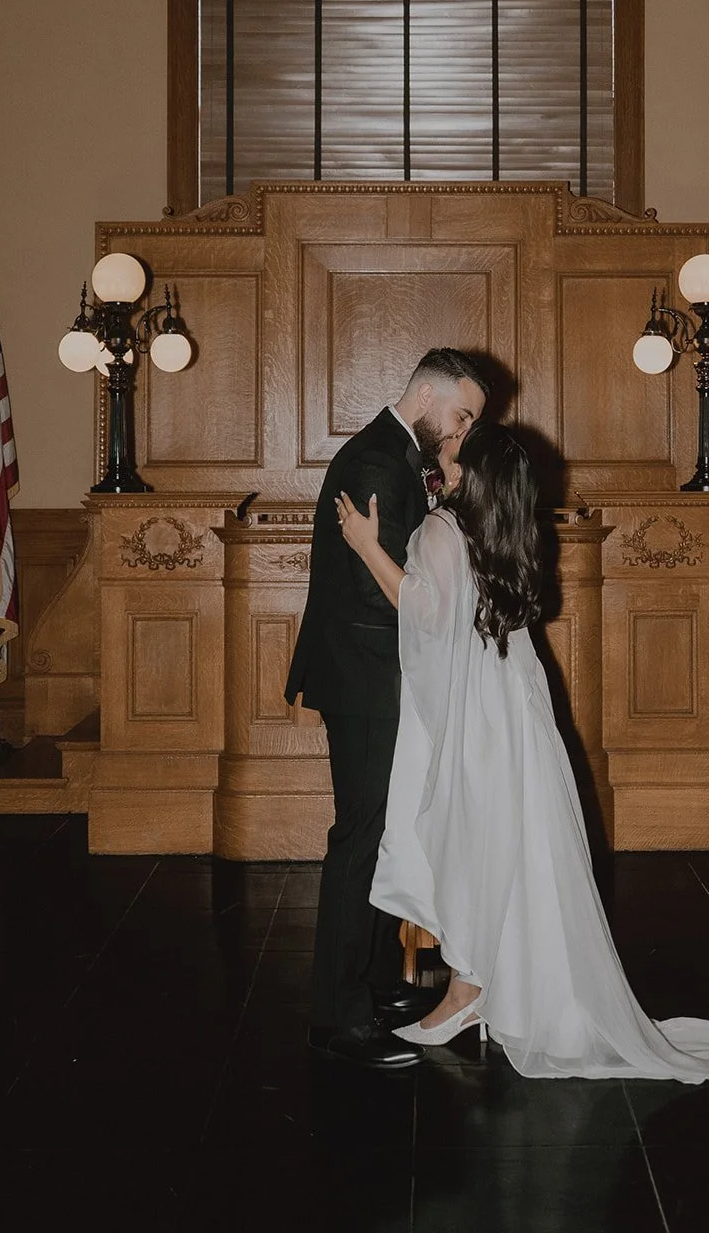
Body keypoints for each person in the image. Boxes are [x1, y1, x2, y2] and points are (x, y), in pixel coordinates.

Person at [337, 421, 709, 1082]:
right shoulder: (505, 530)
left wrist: (368, 547)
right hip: (516, 703)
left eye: (455, 443)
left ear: (470, 471)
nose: (444, 444)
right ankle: (475, 987)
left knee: (469, 841)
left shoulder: (441, 532)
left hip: (478, 716)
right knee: (511, 845)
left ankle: (469, 990)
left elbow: (423, 616)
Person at [285, 349, 489, 1069]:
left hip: (376, 674)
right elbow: (381, 593)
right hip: (369, 677)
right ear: (427, 394)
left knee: (380, 832)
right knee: (361, 837)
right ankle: (336, 1015)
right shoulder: (379, 460)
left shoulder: (395, 453)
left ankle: (370, 985)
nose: (461, 429)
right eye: (460, 414)